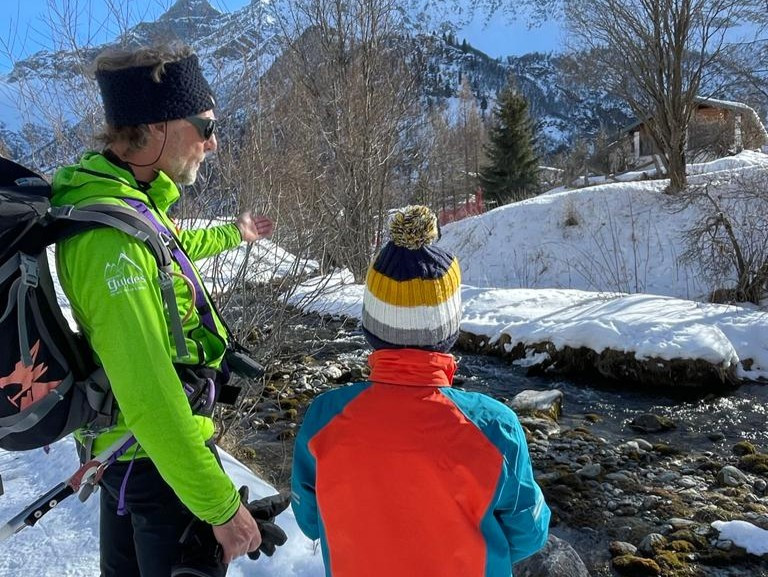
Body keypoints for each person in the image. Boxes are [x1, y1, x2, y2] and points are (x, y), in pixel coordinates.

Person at [51, 43, 275, 576]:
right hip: (153, 464)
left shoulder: (131, 206)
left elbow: (175, 251)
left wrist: (235, 234)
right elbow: (151, 393)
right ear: (152, 128)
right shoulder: (113, 243)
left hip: (139, 460)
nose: (212, 142)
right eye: (203, 125)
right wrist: (221, 509)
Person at [291, 205, 551, 577]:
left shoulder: (323, 417)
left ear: (371, 326)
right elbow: (529, 533)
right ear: (449, 329)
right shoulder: (496, 427)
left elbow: (311, 520)